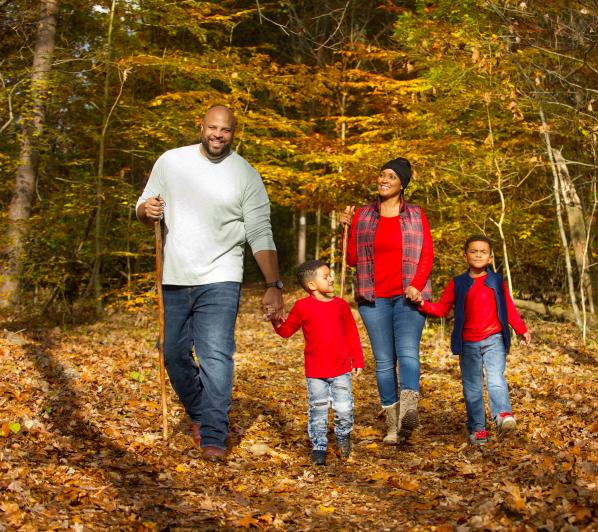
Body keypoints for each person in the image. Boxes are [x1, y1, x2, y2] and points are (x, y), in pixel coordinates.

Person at [136, 105, 285, 462]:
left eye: (226, 130)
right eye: (213, 128)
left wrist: (273, 284)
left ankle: (214, 435)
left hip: (221, 277)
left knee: (215, 356)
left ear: (235, 133)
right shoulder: (171, 162)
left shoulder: (245, 175)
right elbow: (143, 206)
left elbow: (260, 231)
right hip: (175, 276)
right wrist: (147, 211)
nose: (218, 135)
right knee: (173, 353)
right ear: (200, 126)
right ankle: (203, 413)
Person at [340, 157, 433, 445]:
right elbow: (353, 260)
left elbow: (427, 255)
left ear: (402, 184)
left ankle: (408, 412)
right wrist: (347, 229)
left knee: (407, 354)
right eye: (382, 175)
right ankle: (392, 426)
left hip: (408, 296)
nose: (384, 180)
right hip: (373, 297)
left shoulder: (416, 214)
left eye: (391, 176)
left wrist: (417, 286)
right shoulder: (364, 214)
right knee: (382, 362)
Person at [413, 235, 531, 446]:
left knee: (495, 378)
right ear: (465, 256)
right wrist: (422, 303)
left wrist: (521, 329)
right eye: (474, 251)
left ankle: (503, 415)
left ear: (490, 257)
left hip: (494, 338)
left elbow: (509, 308)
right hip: (468, 342)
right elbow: (441, 309)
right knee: (473, 387)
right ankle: (478, 428)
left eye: (483, 252)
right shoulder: (458, 283)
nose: (478, 255)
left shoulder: (496, 280)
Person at [271, 260, 364, 465]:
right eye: (325, 276)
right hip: (315, 371)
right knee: (318, 409)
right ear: (311, 285)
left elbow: (351, 333)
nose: (331, 278)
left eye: (330, 275)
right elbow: (286, 331)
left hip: (340, 369)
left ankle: (342, 437)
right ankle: (319, 446)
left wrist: (357, 358)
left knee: (344, 408)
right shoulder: (302, 307)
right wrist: (275, 320)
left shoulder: (341, 306)